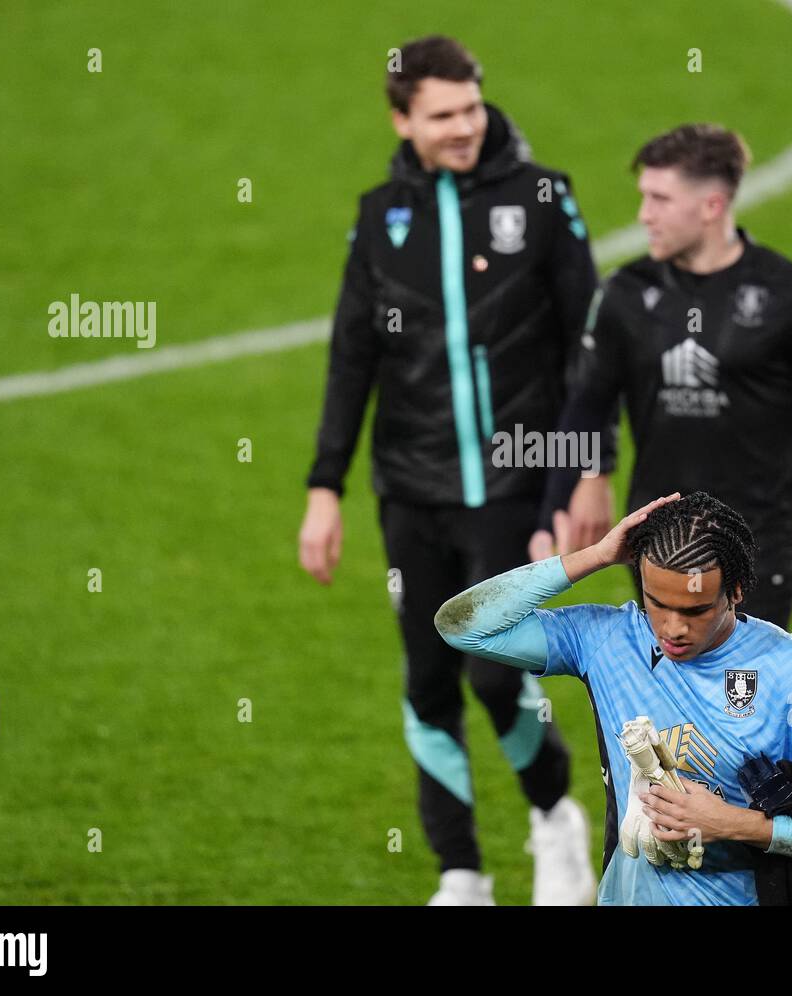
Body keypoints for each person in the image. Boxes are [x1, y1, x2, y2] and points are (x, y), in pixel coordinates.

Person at [299, 35, 614, 906]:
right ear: (403, 120)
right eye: (443, 115)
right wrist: (324, 487)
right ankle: (461, 872)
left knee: (487, 667)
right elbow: (350, 356)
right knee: (428, 678)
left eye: (472, 107)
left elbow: (590, 344)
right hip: (411, 488)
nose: (465, 127)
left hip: (518, 479)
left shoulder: (543, 197)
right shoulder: (379, 215)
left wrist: (590, 469)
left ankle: (555, 819)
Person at [531, 124, 792, 629]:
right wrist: (553, 510)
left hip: (756, 554)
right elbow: (586, 403)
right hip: (656, 545)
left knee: (741, 702)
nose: (644, 215)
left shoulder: (790, 297)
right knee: (671, 702)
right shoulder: (626, 294)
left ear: (711, 206)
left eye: (660, 199)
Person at [437, 491, 792, 905]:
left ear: (735, 592)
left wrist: (731, 823)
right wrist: (594, 556)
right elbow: (461, 625)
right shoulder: (607, 640)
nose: (673, 628)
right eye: (658, 603)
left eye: (695, 610)